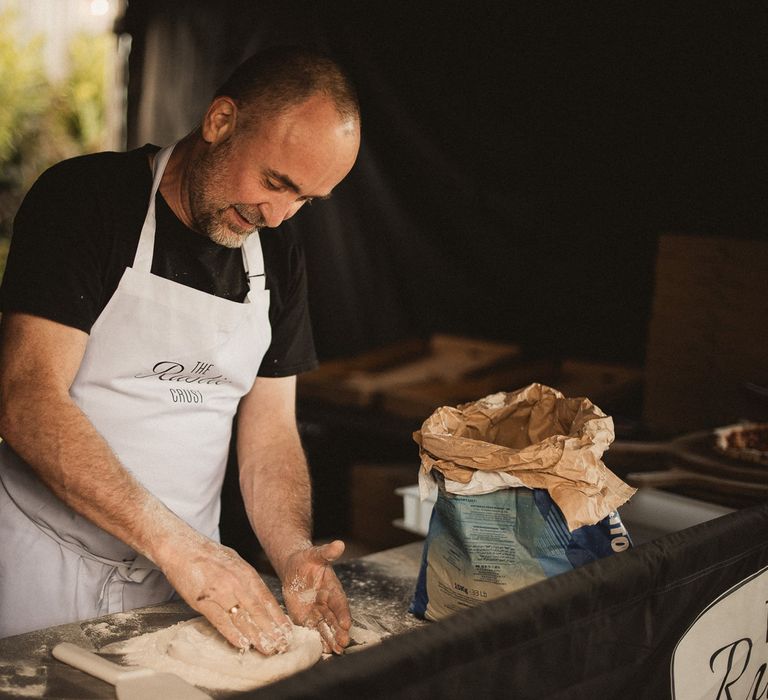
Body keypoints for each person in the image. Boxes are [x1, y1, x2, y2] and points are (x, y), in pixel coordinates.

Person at [0, 45, 360, 656]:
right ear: (220, 122)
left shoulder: (278, 254)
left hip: (188, 586)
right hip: (42, 566)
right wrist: (177, 544)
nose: (277, 216)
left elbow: (270, 431)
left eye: (304, 199)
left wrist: (293, 552)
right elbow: (25, 398)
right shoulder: (87, 201)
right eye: (275, 182)